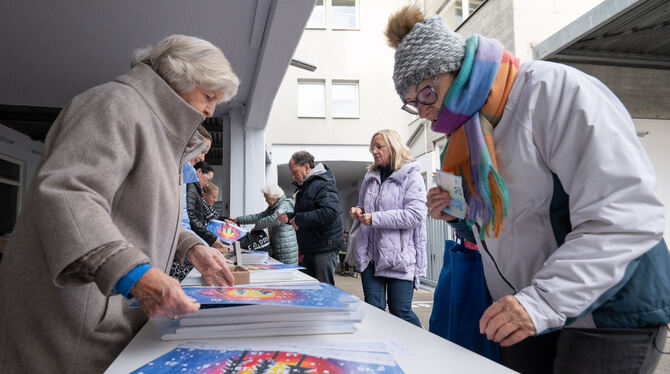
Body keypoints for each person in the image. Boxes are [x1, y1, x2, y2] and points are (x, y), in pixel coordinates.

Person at [386, 6, 670, 373]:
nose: (423, 111)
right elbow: (505, 226)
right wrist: (460, 216)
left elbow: (623, 217)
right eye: (412, 102)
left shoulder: (554, 93)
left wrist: (539, 303)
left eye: (427, 93)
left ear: (457, 69)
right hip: (530, 306)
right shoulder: (471, 132)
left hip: (609, 307)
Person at [0, 34, 240, 373]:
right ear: (177, 77)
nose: (210, 110)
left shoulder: (154, 126)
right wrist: (134, 273)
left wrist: (190, 247)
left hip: (104, 310)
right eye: (208, 95)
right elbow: (69, 193)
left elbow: (135, 208)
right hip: (74, 319)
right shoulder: (114, 104)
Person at [350, 129, 427, 327]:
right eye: (372, 148)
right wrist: (358, 211)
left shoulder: (411, 176)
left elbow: (416, 215)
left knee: (400, 312)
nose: (374, 151)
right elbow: (364, 205)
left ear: (393, 147)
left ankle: (422, 350)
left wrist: (375, 218)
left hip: (399, 258)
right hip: (370, 256)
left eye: (379, 147)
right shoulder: (371, 176)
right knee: (374, 312)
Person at [278, 151, 343, 284]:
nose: (292, 176)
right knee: (309, 288)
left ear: (307, 167)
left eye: (294, 171)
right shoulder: (306, 186)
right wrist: (290, 217)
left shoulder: (323, 183)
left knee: (324, 292)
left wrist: (299, 219)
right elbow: (310, 211)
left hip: (323, 247)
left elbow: (329, 212)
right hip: (311, 247)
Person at [230, 184, 299, 265]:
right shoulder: (274, 206)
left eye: (266, 198)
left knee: (286, 272)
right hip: (279, 246)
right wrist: (239, 220)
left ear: (273, 196)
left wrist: (257, 226)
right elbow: (260, 216)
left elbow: (274, 218)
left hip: (286, 249)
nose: (266, 200)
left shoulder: (284, 205)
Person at [186, 161, 227, 250]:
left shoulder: (195, 189)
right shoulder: (191, 188)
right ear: (199, 172)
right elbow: (190, 217)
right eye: (208, 179)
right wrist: (211, 238)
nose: (207, 184)